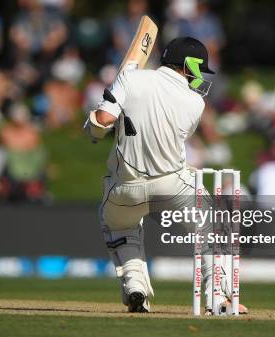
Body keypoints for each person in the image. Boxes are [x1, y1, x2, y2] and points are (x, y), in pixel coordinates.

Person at [85, 37, 247, 314]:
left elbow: (102, 122)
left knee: (121, 228)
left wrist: (95, 125)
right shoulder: (195, 103)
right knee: (211, 229)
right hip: (171, 184)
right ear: (190, 66)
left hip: (124, 186)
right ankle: (217, 298)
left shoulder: (131, 78)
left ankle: (135, 285)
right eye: (199, 70)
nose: (200, 78)